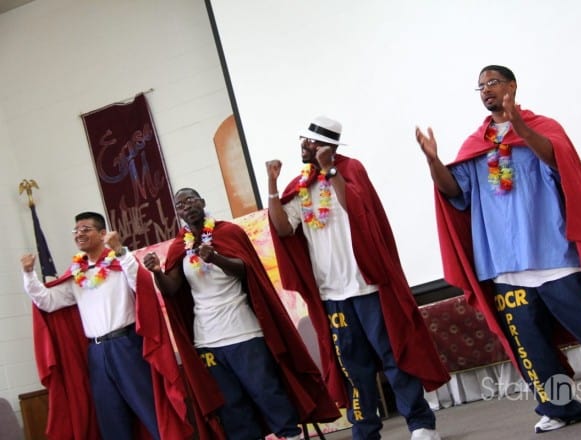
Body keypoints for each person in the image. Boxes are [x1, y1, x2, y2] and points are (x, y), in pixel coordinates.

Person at [415, 65, 581, 433]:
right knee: (531, 348)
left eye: (493, 82)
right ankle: (561, 407)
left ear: (512, 86)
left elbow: (557, 160)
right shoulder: (475, 145)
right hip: (504, 266)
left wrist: (520, 127)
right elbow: (453, 191)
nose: (486, 90)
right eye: (481, 86)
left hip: (553, 256)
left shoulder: (542, 127)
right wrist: (434, 161)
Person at [266, 116, 449, 440]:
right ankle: (365, 431)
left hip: (368, 288)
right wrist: (272, 185)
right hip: (332, 294)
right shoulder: (301, 184)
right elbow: (282, 229)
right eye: (303, 140)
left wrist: (330, 170)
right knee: (353, 368)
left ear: (328, 147)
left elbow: (356, 206)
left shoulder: (350, 170)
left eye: (310, 140)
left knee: (394, 357)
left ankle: (420, 423)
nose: (303, 145)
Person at [142, 188, 340, 440]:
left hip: (243, 332)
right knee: (232, 405)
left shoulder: (229, 233)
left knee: (266, 391)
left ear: (202, 202)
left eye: (191, 200)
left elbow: (245, 271)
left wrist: (215, 258)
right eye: (180, 204)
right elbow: (171, 289)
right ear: (178, 213)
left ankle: (290, 435)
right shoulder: (179, 247)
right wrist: (157, 272)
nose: (187, 206)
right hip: (207, 339)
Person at [21, 211, 192, 440]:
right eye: (76, 230)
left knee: (149, 409)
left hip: (126, 345)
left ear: (103, 234)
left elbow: (139, 283)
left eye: (85, 229)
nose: (79, 234)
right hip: (96, 352)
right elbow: (47, 302)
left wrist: (119, 249)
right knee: (110, 417)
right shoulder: (76, 275)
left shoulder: (120, 263)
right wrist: (29, 274)